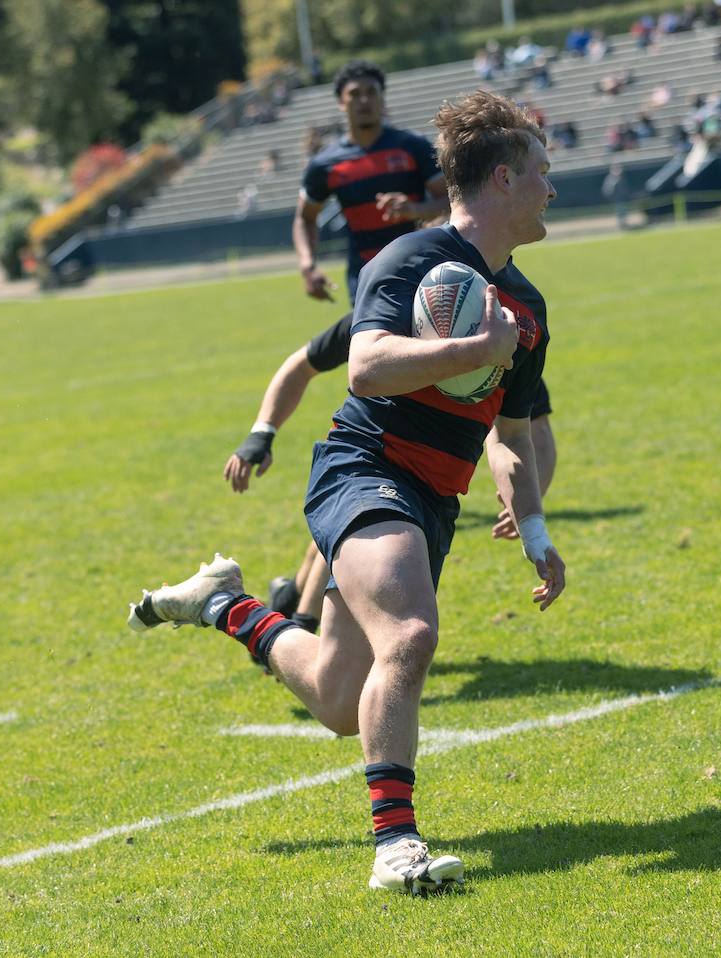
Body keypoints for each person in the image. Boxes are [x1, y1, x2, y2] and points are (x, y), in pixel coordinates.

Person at [131, 91, 565, 895]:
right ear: (503, 178)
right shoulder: (409, 260)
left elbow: (509, 437)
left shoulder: (528, 309)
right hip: (364, 470)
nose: (553, 187)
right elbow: (365, 366)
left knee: (337, 698)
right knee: (409, 634)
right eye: (543, 171)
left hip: (433, 501)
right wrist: (476, 344)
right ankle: (396, 847)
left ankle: (222, 605)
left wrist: (534, 529)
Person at [221, 310, 558, 637]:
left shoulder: (504, 332)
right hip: (373, 464)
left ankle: (287, 599)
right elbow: (303, 364)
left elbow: (528, 432)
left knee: (380, 625)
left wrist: (529, 502)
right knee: (364, 531)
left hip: (435, 491)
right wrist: (261, 433)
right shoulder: (386, 313)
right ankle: (297, 623)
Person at [293, 61, 451, 305]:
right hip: (365, 279)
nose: (364, 100)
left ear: (382, 99)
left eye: (371, 92)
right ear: (341, 102)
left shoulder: (413, 147)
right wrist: (307, 266)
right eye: (355, 94)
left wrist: (415, 210)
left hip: (422, 271)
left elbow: (454, 201)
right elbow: (305, 218)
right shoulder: (324, 164)